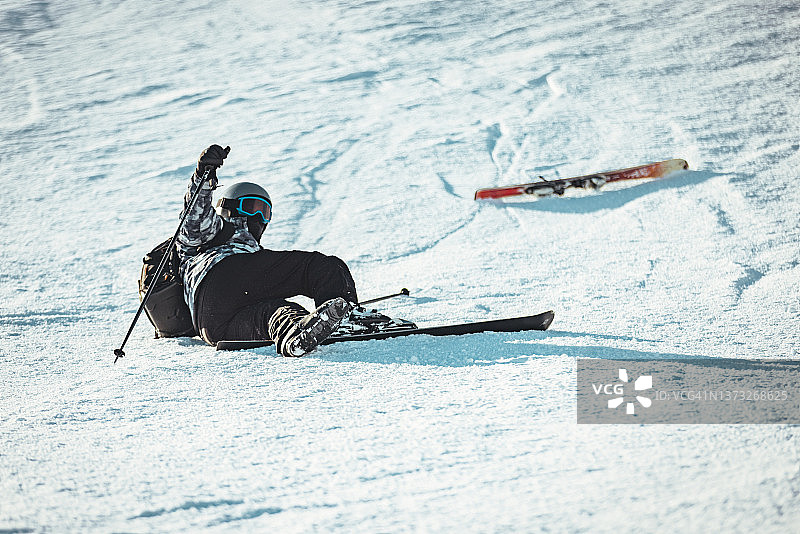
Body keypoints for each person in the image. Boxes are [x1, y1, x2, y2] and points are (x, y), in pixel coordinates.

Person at [176, 144, 358, 357]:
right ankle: (348, 318)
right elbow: (193, 220)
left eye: (265, 212)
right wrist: (203, 176)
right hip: (226, 273)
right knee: (319, 266)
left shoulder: (241, 249)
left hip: (213, 326)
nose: (260, 218)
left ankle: (296, 333)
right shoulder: (218, 229)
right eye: (252, 207)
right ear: (228, 207)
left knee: (273, 313)